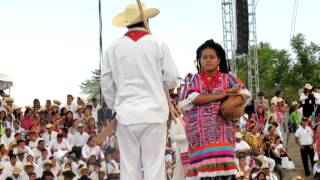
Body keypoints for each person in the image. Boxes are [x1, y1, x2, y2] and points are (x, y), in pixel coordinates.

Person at [100, 3, 178, 180]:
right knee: (154, 168)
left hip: (126, 115)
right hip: (154, 113)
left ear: (127, 23)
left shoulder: (113, 48)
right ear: (146, 20)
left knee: (129, 169)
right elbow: (172, 78)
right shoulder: (158, 44)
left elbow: (106, 83)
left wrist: (116, 106)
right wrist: (159, 84)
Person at [179, 39, 250, 179]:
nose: (208, 60)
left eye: (212, 57)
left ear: (219, 60)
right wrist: (222, 94)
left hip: (223, 135)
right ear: (199, 60)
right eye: (204, 57)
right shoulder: (193, 79)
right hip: (199, 139)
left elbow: (246, 93)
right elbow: (190, 100)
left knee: (225, 175)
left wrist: (235, 101)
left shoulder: (229, 77)